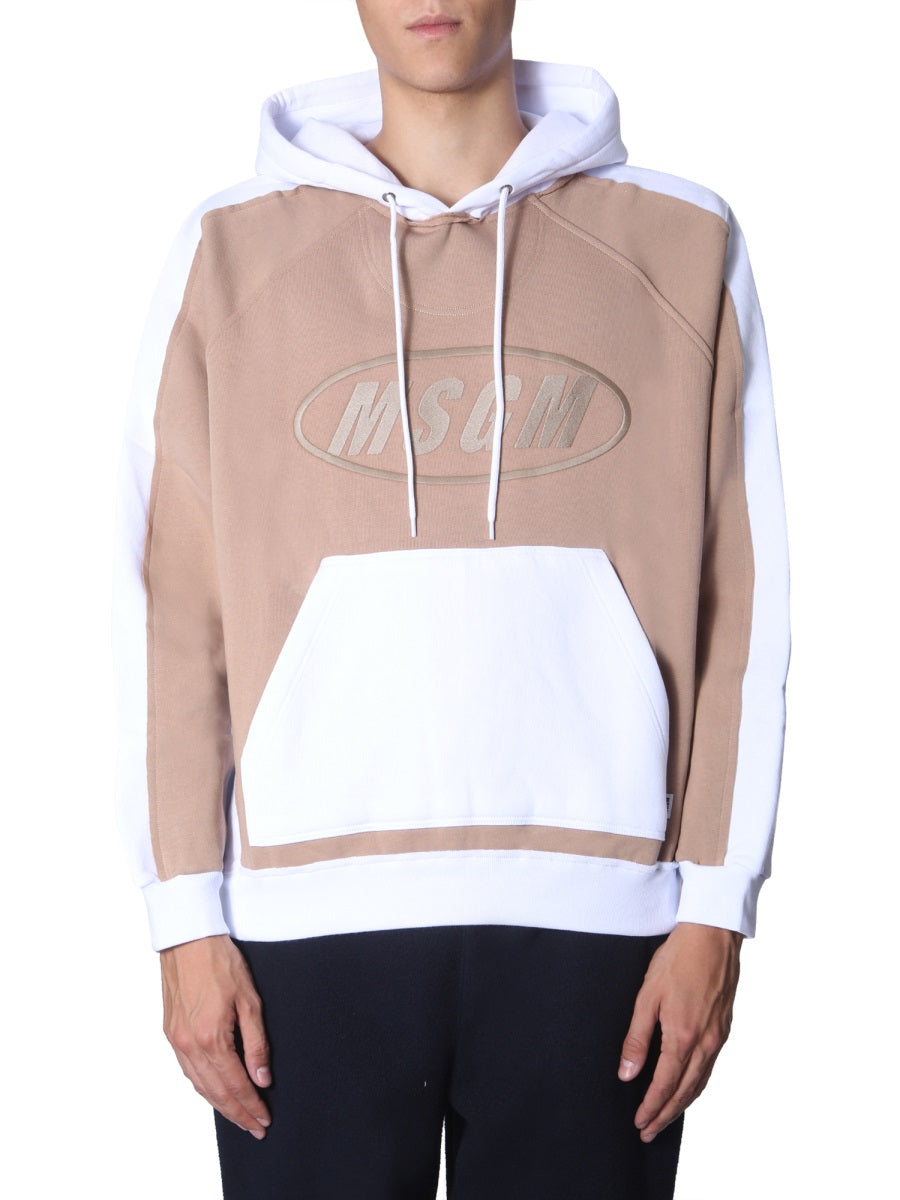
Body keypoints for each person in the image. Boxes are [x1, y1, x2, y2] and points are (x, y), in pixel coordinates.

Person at [112, 3, 791, 1197]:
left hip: (604, 918)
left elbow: (743, 599)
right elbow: (172, 609)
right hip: (300, 924)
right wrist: (183, 916)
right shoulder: (228, 252)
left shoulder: (683, 242)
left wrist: (715, 906)